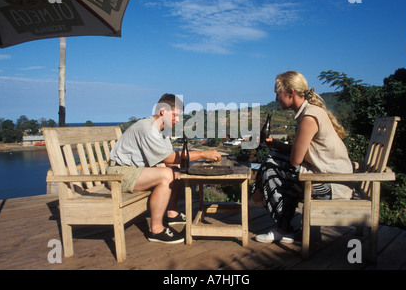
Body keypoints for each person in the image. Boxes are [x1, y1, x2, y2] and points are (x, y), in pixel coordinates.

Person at [250, 71, 353, 243]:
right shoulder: (309, 112)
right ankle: (279, 224)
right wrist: (276, 144)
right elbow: (298, 152)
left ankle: (260, 204)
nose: (275, 98)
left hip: (332, 184)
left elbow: (295, 160)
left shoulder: (309, 117)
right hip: (327, 177)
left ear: (290, 92)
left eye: (277, 93)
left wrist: (276, 152)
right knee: (274, 158)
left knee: (271, 166)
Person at [108, 94, 222, 244]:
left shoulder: (162, 130)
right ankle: (155, 230)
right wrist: (202, 154)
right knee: (167, 174)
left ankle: (171, 213)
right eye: (175, 115)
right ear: (163, 111)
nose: (178, 120)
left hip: (134, 171)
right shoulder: (147, 128)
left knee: (177, 168)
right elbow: (169, 158)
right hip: (119, 174)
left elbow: (172, 159)